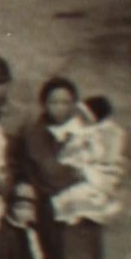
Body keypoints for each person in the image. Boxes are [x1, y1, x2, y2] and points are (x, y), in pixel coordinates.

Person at [21, 78, 103, 259]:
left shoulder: (88, 132)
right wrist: (77, 175)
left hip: (81, 216)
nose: (60, 107)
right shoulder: (36, 134)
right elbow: (47, 173)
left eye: (66, 102)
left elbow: (104, 166)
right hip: (51, 213)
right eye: (54, 101)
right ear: (45, 104)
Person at [49, 96, 126, 229]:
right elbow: (65, 137)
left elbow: (105, 157)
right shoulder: (80, 126)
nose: (81, 118)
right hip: (81, 164)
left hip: (98, 170)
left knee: (84, 192)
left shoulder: (108, 133)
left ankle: (82, 210)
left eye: (85, 116)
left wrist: (85, 162)